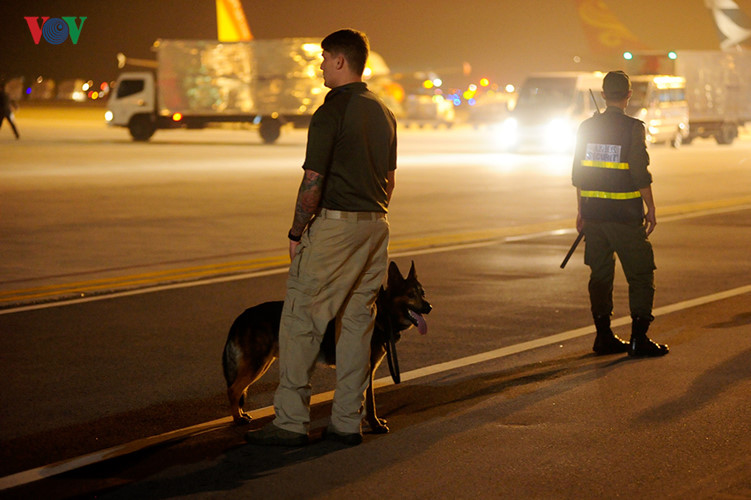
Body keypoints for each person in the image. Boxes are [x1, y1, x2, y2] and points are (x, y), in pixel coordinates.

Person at [245, 29, 397, 447]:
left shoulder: (331, 112)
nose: (320, 66)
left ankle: (291, 422)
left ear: (340, 62)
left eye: (324, 58)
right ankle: (347, 421)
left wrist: (297, 231)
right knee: (355, 326)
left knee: (300, 321)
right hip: (376, 226)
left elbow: (313, 180)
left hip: (336, 229)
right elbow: (389, 180)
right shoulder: (383, 111)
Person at [572, 70, 668, 358]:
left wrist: (581, 211)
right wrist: (651, 207)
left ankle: (603, 337)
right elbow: (640, 173)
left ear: (603, 94)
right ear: (628, 96)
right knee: (640, 274)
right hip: (624, 217)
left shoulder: (586, 128)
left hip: (594, 217)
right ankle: (639, 340)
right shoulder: (632, 128)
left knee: (600, 277)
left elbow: (579, 174)